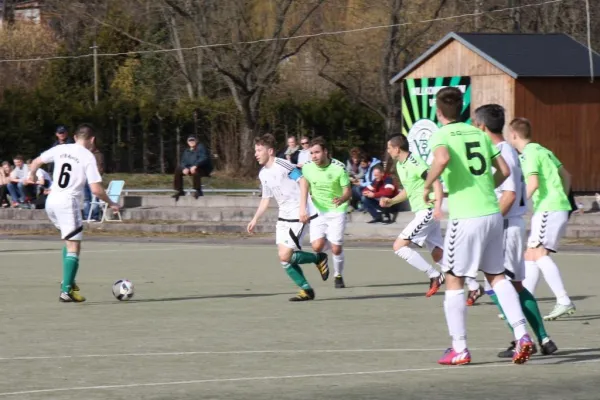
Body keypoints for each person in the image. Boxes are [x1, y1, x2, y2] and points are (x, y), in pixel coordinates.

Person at [424, 87, 533, 365]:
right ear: (462, 109)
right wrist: (486, 187)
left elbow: (443, 159)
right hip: (493, 215)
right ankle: (522, 334)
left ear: (439, 112)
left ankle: (459, 348)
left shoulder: (442, 134)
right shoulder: (479, 134)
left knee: (453, 278)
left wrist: (426, 185)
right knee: (496, 276)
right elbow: (505, 171)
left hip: (467, 217)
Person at [472, 105, 557, 358]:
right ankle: (543, 338)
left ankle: (523, 337)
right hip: (512, 223)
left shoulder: (501, 152)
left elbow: (508, 194)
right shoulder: (504, 150)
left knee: (495, 283)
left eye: (476, 125)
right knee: (514, 285)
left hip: (505, 224)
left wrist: (490, 222)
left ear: (482, 127)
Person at [28, 124, 120, 302]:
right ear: (92, 139)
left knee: (68, 241)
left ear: (75, 136)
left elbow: (36, 161)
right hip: (68, 203)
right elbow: (96, 189)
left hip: (52, 201)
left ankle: (68, 281)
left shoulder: (61, 148)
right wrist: (112, 203)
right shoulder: (88, 156)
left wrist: (31, 175)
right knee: (74, 247)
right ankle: (66, 290)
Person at [506, 117, 576, 321]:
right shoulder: (543, 150)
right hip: (555, 207)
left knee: (538, 254)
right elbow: (567, 175)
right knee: (530, 255)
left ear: (514, 135)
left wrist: (517, 203)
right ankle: (523, 300)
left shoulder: (528, 154)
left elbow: (533, 182)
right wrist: (561, 197)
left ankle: (563, 299)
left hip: (548, 209)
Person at [247, 134, 329, 301]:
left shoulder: (283, 165)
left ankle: (318, 258)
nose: (256, 153)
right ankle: (306, 290)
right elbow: (265, 199)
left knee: (285, 255)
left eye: (259, 150)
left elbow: (303, 181)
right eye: (255, 150)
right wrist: (255, 219)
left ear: (269, 151)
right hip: (283, 216)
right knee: (284, 259)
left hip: (298, 214)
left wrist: (302, 209)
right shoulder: (263, 174)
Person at [381, 134, 445, 297]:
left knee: (399, 246)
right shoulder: (401, 165)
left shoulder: (415, 163)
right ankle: (473, 285)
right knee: (438, 254)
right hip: (423, 211)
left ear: (397, 148)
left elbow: (435, 181)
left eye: (389, 148)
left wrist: (438, 206)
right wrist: (392, 201)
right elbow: (409, 191)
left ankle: (434, 275)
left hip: (427, 211)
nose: (388, 151)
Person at [299, 137, 352, 289]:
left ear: (325, 152)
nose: (314, 156)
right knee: (316, 247)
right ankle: (328, 249)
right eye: (311, 153)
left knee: (336, 248)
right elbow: (304, 184)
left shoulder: (339, 168)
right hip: (318, 210)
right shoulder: (308, 167)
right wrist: (303, 207)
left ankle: (338, 275)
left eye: (317, 152)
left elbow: (348, 191)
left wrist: (342, 198)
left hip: (337, 210)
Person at [173, 135, 210, 200]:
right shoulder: (186, 151)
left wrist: (195, 165)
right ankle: (180, 190)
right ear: (187, 142)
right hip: (190, 169)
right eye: (190, 140)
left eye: (193, 140)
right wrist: (184, 168)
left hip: (202, 168)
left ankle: (198, 191)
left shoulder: (200, 147)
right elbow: (183, 162)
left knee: (196, 170)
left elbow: (203, 158)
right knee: (178, 169)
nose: (191, 142)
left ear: (196, 141)